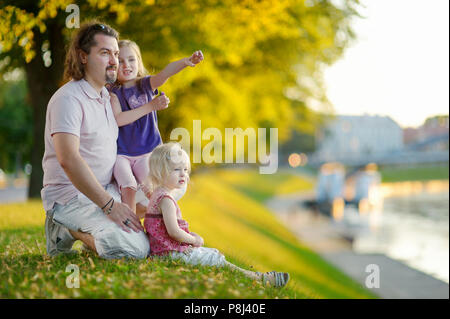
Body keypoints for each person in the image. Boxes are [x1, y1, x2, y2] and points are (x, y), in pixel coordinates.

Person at [42, 21, 149, 259]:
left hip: (107, 188)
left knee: (163, 197)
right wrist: (110, 206)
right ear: (83, 56)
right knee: (134, 250)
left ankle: (106, 230)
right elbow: (68, 158)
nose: (115, 61)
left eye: (116, 54)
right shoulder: (68, 99)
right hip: (71, 196)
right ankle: (65, 227)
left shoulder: (107, 98)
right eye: (104, 53)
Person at [144, 143, 290, 287]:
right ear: (160, 172)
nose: (183, 174)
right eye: (176, 169)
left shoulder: (157, 194)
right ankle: (260, 279)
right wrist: (194, 240)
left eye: (185, 169)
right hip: (168, 253)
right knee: (215, 258)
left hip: (164, 250)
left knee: (211, 254)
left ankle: (259, 277)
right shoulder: (166, 200)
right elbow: (174, 231)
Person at [109, 39, 204, 216]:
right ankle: (129, 224)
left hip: (146, 153)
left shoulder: (145, 85)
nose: (126, 65)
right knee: (127, 185)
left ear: (138, 62)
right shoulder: (113, 93)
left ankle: (165, 220)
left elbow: (165, 73)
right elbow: (119, 119)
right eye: (120, 61)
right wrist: (150, 106)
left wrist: (185, 62)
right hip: (122, 154)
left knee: (151, 188)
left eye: (131, 59)